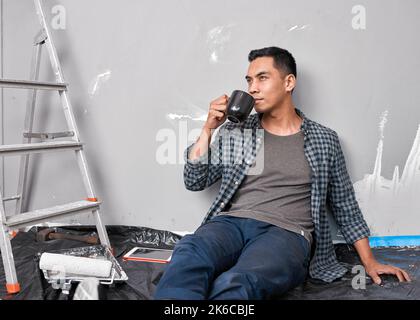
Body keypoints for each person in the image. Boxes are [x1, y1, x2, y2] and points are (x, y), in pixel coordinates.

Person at [154, 46, 411, 300]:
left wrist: (369, 262)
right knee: (189, 253)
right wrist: (208, 129)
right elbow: (195, 180)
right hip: (230, 224)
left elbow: (344, 205)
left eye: (262, 78)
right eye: (249, 80)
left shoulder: (325, 140)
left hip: (286, 233)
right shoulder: (237, 131)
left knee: (239, 281)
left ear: (289, 82)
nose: (252, 88)